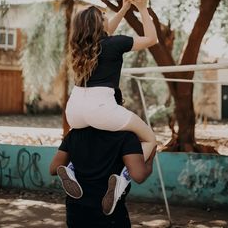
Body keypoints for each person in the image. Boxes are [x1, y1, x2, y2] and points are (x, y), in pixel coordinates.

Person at [58, 0, 158, 215]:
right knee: (150, 137)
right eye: (104, 15)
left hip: (75, 109)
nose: (107, 17)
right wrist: (142, 7)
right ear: (100, 24)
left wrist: (124, 8)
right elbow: (152, 39)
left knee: (82, 138)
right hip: (101, 107)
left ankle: (71, 169)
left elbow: (106, 32)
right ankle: (122, 179)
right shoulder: (115, 44)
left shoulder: (79, 47)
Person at [50, 97, 157, 227]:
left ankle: (70, 170)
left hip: (76, 210)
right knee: (126, 173)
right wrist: (150, 162)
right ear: (118, 106)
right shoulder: (126, 136)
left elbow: (54, 168)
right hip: (109, 214)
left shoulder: (75, 134)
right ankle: (120, 181)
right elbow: (138, 175)